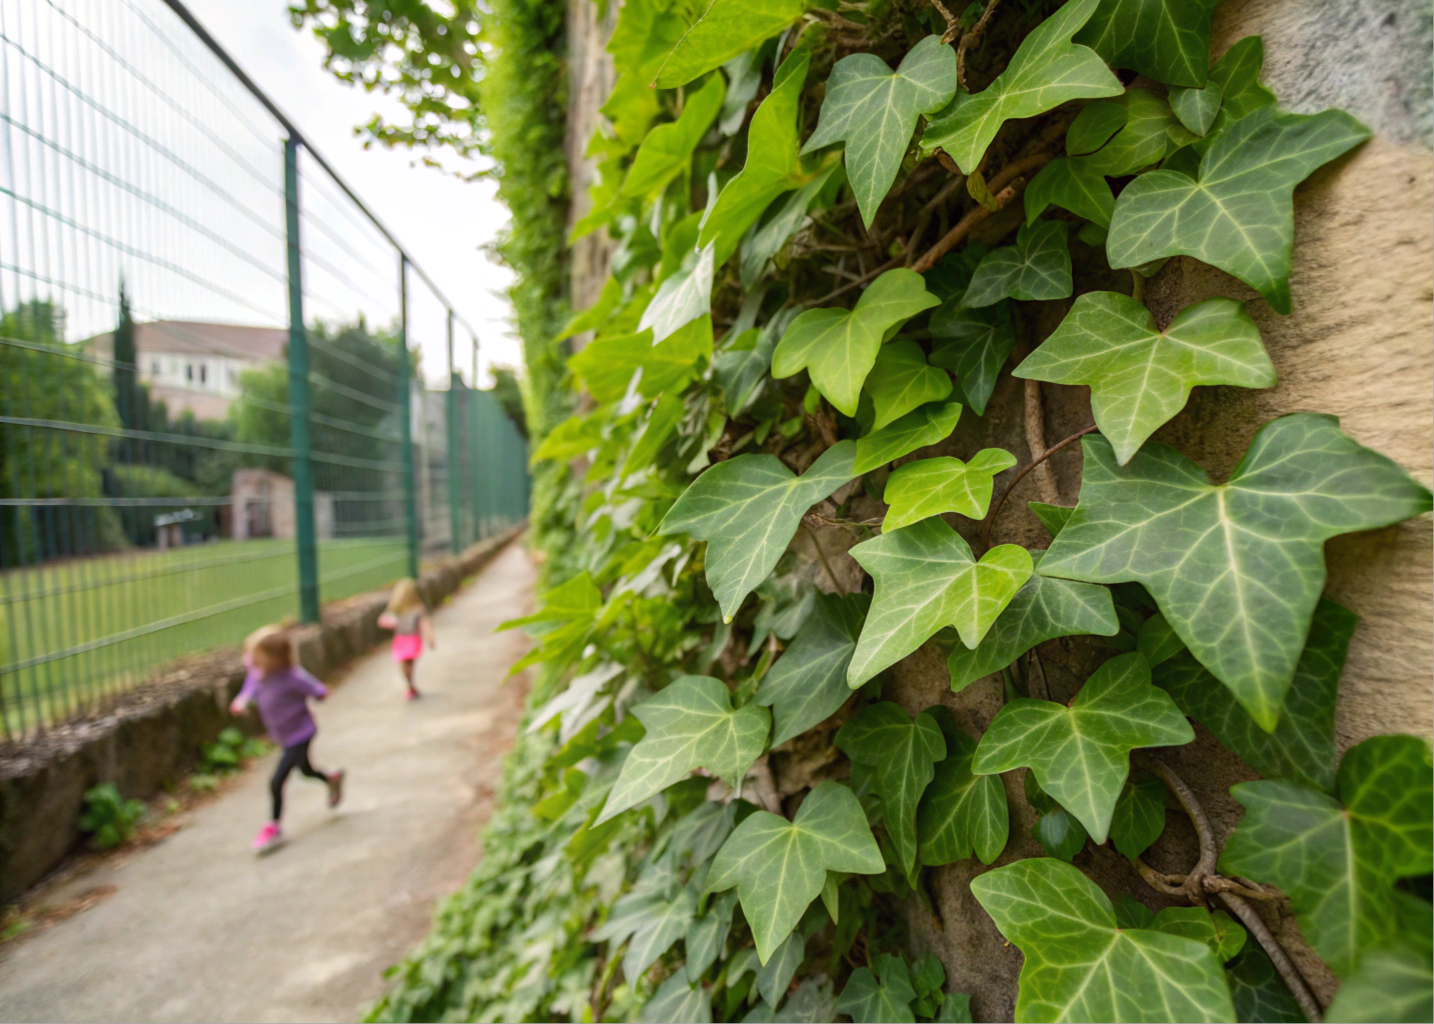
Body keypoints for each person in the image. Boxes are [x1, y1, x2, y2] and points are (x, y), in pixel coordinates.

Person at [229, 626, 344, 853]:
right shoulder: (258, 673)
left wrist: (322, 692)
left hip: (301, 734)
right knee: (306, 771)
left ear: (273, 658)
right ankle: (331, 778)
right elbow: (249, 689)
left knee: (277, 780)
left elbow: (317, 690)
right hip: (284, 736)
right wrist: (241, 702)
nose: (250, 659)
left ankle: (273, 825)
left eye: (255, 654)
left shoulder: (292, 676)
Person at [377, 578, 434, 700]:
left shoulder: (396, 608)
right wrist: (430, 638)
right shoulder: (416, 608)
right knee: (410, 663)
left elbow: (383, 621)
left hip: (401, 639)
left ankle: (409, 684)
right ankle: (411, 684)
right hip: (412, 639)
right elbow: (425, 624)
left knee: (404, 663)